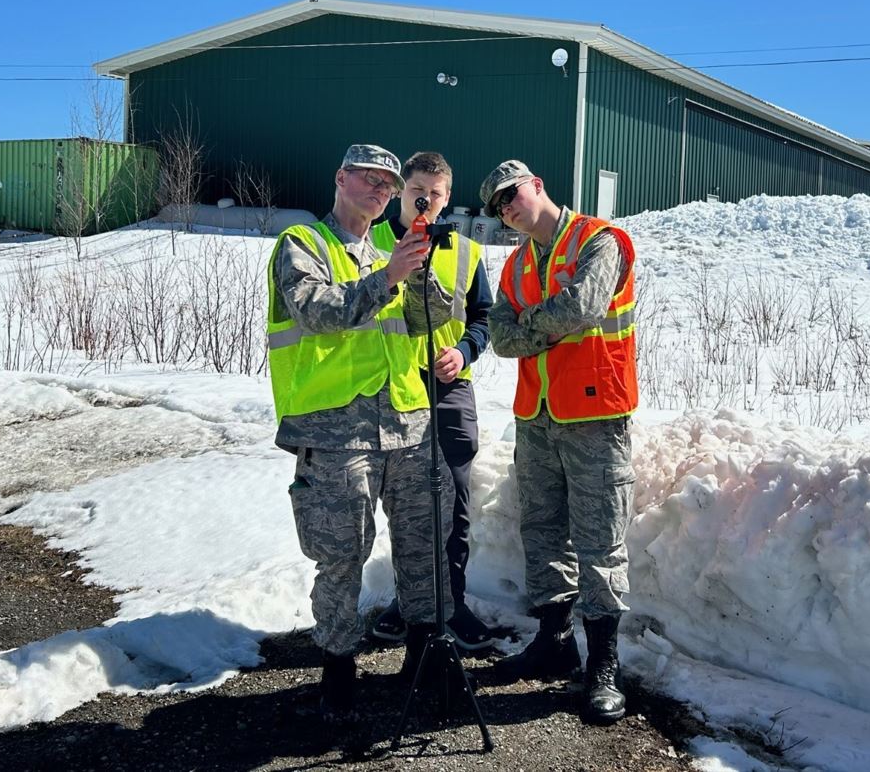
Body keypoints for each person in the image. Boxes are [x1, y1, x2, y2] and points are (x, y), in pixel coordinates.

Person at [266, 144, 456, 721]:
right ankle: (338, 670)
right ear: (340, 178)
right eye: (368, 179)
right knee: (342, 553)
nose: (379, 190)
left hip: (407, 422)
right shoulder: (303, 244)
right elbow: (317, 312)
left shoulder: (387, 251)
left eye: (387, 185)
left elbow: (432, 320)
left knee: (425, 549)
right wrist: (389, 277)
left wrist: (422, 275)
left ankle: (423, 659)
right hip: (334, 430)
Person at [479, 160, 638, 726]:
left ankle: (604, 666)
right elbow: (497, 336)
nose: (508, 208)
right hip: (537, 416)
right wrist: (529, 333)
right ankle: (553, 641)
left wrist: (527, 331)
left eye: (512, 194)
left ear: (537, 186)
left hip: (596, 413)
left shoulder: (600, 240)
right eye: (499, 205)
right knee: (542, 529)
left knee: (599, 540)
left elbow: (583, 305)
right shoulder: (518, 264)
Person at [369, 151, 495, 652]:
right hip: (389, 388)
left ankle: (452, 602)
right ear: (403, 188)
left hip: (446, 389)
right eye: (417, 187)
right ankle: (410, 602)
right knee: (403, 505)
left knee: (452, 500)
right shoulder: (370, 240)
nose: (426, 198)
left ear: (447, 198)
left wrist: (463, 353)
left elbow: (484, 320)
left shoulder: (466, 251)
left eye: (436, 192)